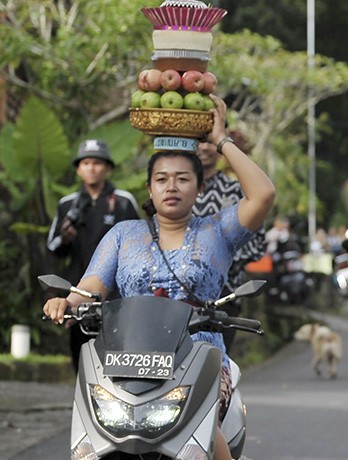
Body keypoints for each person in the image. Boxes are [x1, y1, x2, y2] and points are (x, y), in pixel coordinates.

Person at [43, 95, 276, 460]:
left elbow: (263, 194)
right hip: (125, 359)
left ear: (199, 188)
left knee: (205, 437)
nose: (171, 186)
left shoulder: (218, 231)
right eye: (162, 179)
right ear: (149, 188)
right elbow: (92, 285)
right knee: (91, 442)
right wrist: (67, 302)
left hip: (200, 359)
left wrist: (221, 141)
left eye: (183, 179)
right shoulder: (123, 234)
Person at [46, 139, 140, 373]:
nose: (91, 168)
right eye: (86, 163)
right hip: (79, 290)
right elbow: (53, 247)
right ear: (78, 169)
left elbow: (141, 245)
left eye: (97, 163)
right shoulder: (67, 204)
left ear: (107, 167)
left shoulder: (123, 201)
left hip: (117, 294)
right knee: (81, 355)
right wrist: (65, 237)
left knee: (119, 354)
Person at [193, 130, 268, 351]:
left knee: (217, 362)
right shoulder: (176, 190)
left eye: (209, 143)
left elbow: (256, 243)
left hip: (224, 295)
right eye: (199, 142)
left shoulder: (237, 190)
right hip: (179, 295)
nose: (205, 148)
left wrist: (216, 259)